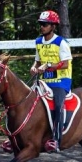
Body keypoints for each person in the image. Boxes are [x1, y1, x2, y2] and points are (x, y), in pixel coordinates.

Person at [30, 10, 72, 153]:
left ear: (53, 26)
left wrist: (48, 65)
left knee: (58, 106)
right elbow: (37, 61)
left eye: (45, 24)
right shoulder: (38, 42)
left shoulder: (61, 42)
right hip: (44, 81)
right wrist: (33, 68)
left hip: (61, 81)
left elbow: (65, 64)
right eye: (41, 24)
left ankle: (56, 140)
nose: (42, 27)